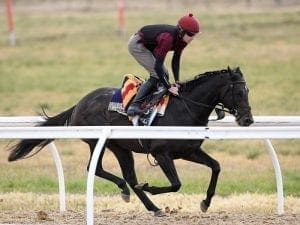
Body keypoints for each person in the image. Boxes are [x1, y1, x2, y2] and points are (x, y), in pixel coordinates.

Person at [126, 13, 201, 116]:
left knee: (164, 74)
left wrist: (177, 82)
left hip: (150, 44)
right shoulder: (168, 39)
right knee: (157, 74)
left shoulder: (183, 40)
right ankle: (134, 105)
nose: (193, 38)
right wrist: (169, 87)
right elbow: (157, 66)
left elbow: (175, 60)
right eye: (191, 35)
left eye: (195, 35)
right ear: (182, 31)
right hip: (137, 44)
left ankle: (151, 98)